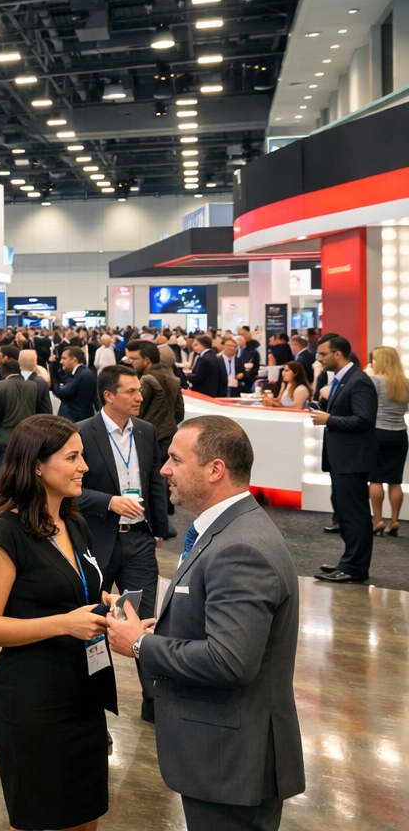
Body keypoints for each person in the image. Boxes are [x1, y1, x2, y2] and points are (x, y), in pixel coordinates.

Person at [105, 415, 304, 831]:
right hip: (223, 757)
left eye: (175, 459)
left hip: (231, 763)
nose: (163, 470)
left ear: (215, 470)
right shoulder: (226, 531)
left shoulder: (241, 548)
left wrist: (140, 646)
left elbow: (229, 660)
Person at [0, 414, 116, 831]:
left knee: (86, 818)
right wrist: (63, 624)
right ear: (37, 465)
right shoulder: (5, 534)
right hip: (34, 703)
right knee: (42, 820)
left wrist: (104, 601)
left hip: (84, 696)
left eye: (82, 455)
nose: (84, 466)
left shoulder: (74, 523)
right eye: (72, 457)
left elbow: (75, 587)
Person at [76, 364, 171, 722]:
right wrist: (109, 502)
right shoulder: (83, 433)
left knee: (147, 620)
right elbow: (71, 491)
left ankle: (156, 703)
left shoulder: (146, 432)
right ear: (109, 396)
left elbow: (155, 481)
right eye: (131, 391)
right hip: (96, 541)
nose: (140, 397)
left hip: (139, 541)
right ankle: (92, 707)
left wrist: (159, 527)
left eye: (139, 390)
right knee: (96, 623)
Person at [312, 333, 379, 583]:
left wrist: (329, 419)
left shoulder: (358, 380)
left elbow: (364, 419)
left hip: (353, 459)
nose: (319, 359)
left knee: (355, 516)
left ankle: (355, 568)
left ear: (337, 354)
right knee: (346, 515)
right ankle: (349, 562)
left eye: (323, 354)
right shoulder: (344, 379)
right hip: (344, 459)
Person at [367, 345, 408, 536]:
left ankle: (378, 520)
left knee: (375, 478)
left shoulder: (373, 380)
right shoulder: (405, 382)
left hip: (379, 432)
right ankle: (395, 520)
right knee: (395, 480)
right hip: (400, 434)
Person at [0, 359, 40, 478]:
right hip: (28, 435)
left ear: (3, 372)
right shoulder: (32, 386)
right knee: (24, 471)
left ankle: (1, 496)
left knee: (1, 471)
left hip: (4, 436)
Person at [53, 347, 98, 422]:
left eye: (64, 358)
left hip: (76, 420)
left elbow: (62, 392)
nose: (61, 362)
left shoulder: (82, 374)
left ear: (74, 360)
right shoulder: (79, 373)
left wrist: (58, 386)